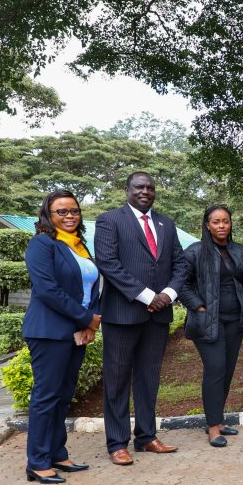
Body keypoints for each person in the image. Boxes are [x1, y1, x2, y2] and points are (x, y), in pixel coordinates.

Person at [95, 172, 187, 466]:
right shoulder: (110, 220)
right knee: (117, 380)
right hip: (123, 315)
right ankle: (117, 443)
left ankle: (146, 437)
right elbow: (108, 263)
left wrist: (169, 294)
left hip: (158, 317)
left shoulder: (166, 223)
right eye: (139, 187)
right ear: (127, 191)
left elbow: (180, 264)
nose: (145, 191)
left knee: (148, 378)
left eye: (150, 187)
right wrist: (148, 296)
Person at [22, 190, 102, 483]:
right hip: (48, 331)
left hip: (75, 332)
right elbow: (48, 290)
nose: (69, 216)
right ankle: (38, 461)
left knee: (63, 395)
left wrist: (90, 323)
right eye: (62, 212)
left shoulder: (80, 246)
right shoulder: (42, 244)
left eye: (74, 211)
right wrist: (85, 318)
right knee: (46, 396)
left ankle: (57, 454)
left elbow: (91, 288)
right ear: (48, 215)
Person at [178, 205, 243, 447]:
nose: (221, 226)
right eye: (216, 222)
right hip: (207, 322)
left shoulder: (238, 251)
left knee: (228, 370)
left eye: (225, 221)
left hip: (235, 320)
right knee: (215, 369)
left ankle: (219, 420)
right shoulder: (195, 251)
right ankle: (212, 427)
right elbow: (181, 282)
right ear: (207, 225)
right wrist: (198, 306)